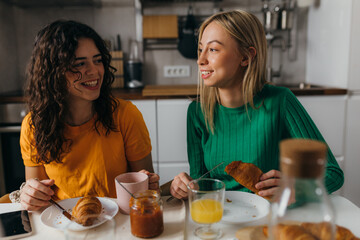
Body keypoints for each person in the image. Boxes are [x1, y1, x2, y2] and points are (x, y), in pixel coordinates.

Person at [170, 10, 344, 200]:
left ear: (246, 57)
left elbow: (333, 173)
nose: (200, 60)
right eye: (200, 49)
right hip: (221, 219)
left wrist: (296, 190)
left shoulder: (281, 101)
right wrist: (185, 187)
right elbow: (201, 184)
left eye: (213, 49)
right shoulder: (197, 112)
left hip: (270, 218)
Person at [17, 20, 159, 211]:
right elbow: (40, 200)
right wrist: (30, 193)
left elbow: (146, 193)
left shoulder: (126, 115)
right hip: (64, 224)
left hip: (119, 223)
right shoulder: (33, 125)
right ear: (54, 73)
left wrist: (148, 183)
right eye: (80, 63)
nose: (94, 71)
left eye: (98, 60)